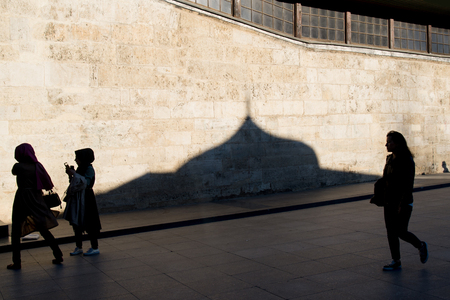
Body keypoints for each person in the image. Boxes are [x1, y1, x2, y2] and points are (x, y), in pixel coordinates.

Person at [8, 143, 63, 270]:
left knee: (16, 230)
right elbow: (48, 184)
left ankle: (17, 262)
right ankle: (58, 254)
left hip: (22, 199)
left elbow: (13, 172)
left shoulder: (18, 167)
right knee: (44, 229)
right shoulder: (37, 166)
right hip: (36, 198)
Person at [381, 131, 428, 271]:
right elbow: (386, 180)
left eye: (389, 142)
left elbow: (408, 184)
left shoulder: (406, 160)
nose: (386, 144)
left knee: (401, 231)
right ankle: (396, 260)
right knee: (391, 231)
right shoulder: (389, 159)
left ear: (398, 143)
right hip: (389, 201)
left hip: (403, 202)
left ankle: (420, 245)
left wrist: (403, 203)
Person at [64, 148, 102, 256]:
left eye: (78, 158)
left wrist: (74, 174)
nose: (76, 160)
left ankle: (94, 247)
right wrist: (71, 175)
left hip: (86, 198)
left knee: (90, 222)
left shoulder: (89, 169)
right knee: (76, 223)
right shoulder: (81, 169)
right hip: (78, 198)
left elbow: (85, 183)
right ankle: (79, 246)